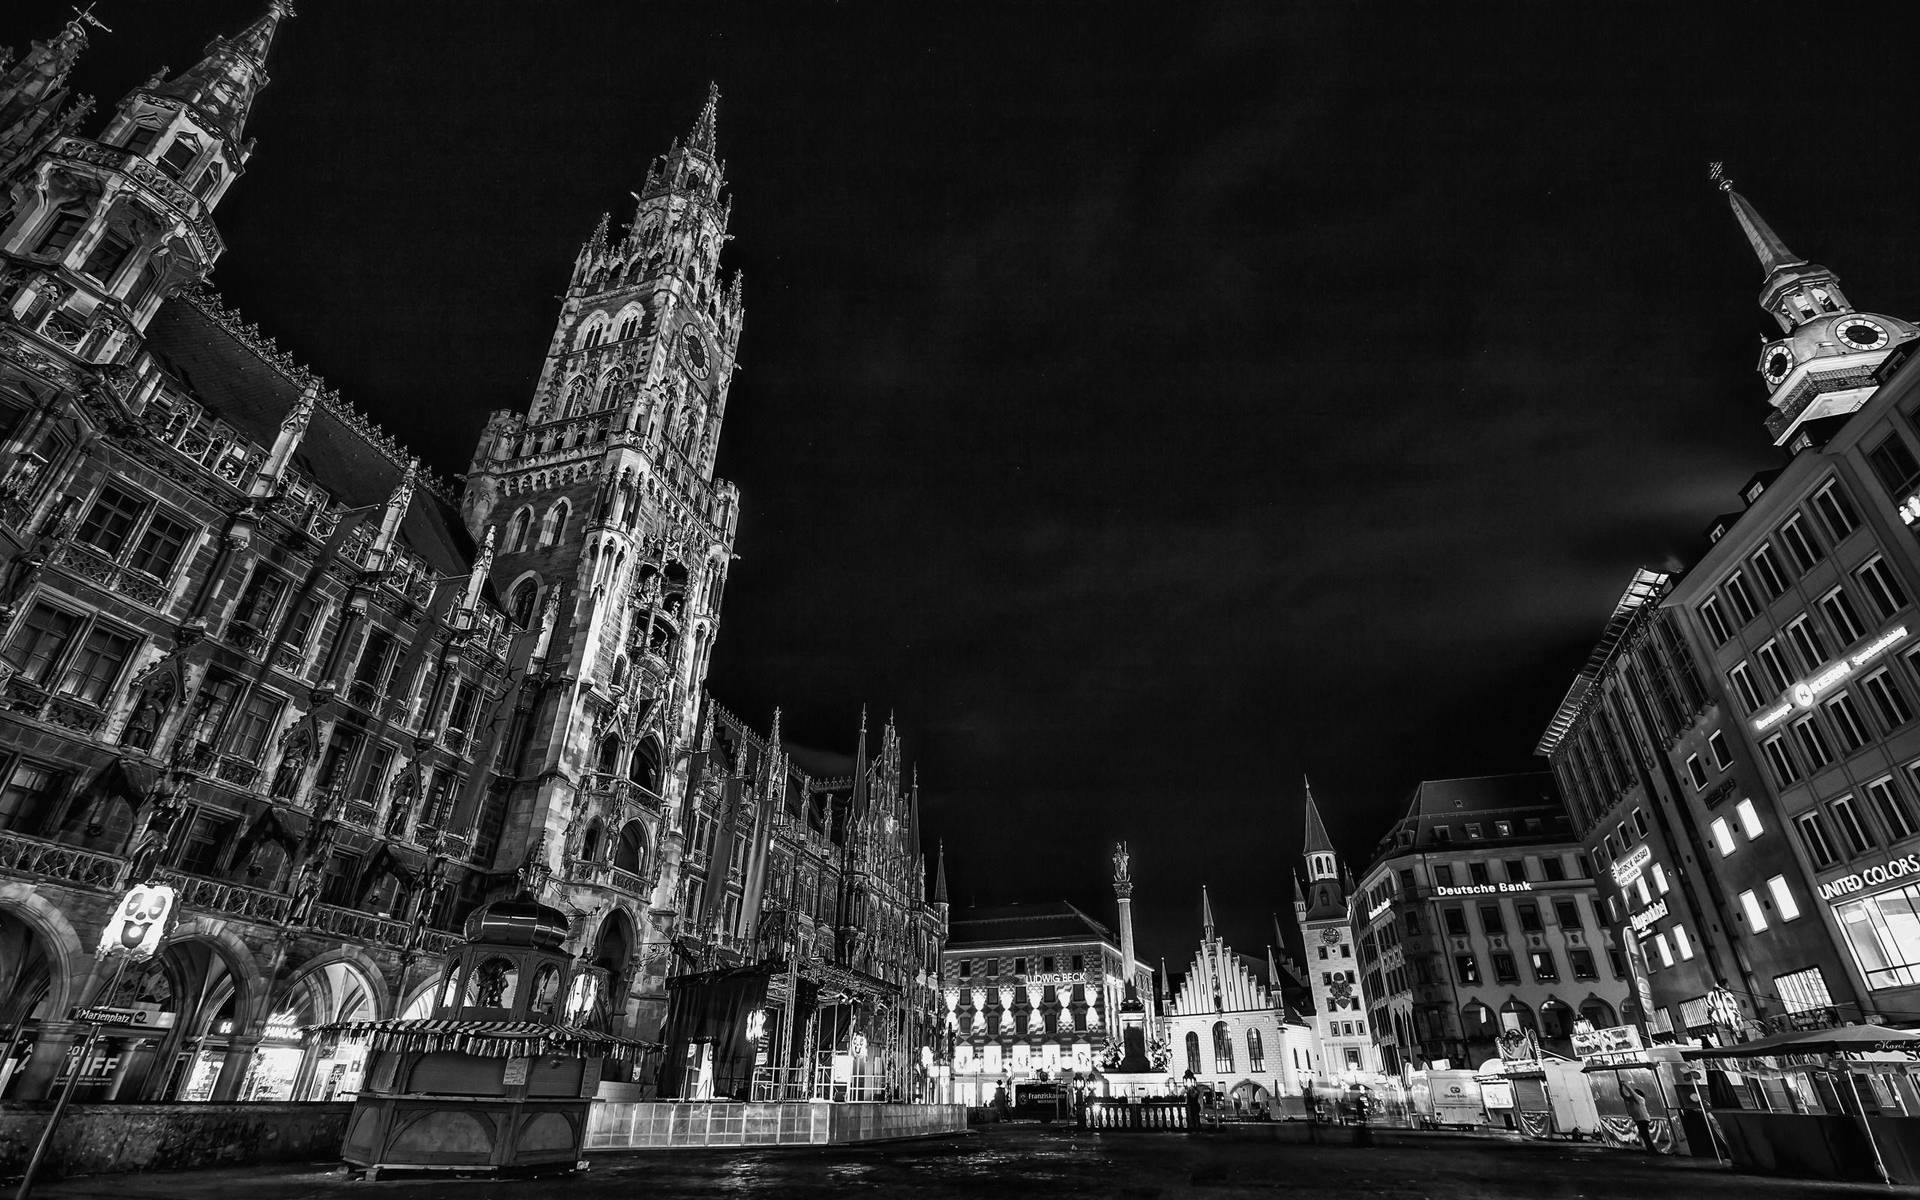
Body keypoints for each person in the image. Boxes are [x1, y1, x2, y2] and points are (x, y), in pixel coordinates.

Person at [1620, 1081, 1655, 1153]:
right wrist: (1621, 1088)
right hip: (1639, 1119)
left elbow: (1631, 1092)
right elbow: (1624, 1096)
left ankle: (1652, 1150)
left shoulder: (1640, 1099)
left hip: (1643, 1119)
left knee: (1645, 1135)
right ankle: (1651, 1150)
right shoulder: (1633, 1100)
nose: (1631, 1094)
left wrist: (1625, 1085)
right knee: (1644, 1135)